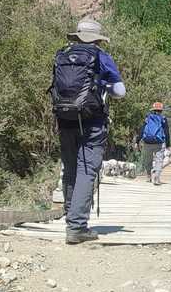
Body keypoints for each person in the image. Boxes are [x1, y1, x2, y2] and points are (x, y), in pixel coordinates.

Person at [49, 18, 126, 244]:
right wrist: (104, 86)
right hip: (92, 122)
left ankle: (71, 218)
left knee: (70, 169)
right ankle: (76, 227)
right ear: (97, 38)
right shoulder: (101, 56)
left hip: (64, 119)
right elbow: (120, 92)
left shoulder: (62, 55)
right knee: (86, 170)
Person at [136, 102, 170, 185]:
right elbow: (166, 132)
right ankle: (156, 176)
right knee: (159, 160)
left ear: (153, 109)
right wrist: (168, 144)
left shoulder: (148, 118)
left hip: (147, 142)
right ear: (161, 110)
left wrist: (138, 140)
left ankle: (148, 176)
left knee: (148, 160)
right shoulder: (163, 119)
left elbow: (142, 130)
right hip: (159, 142)